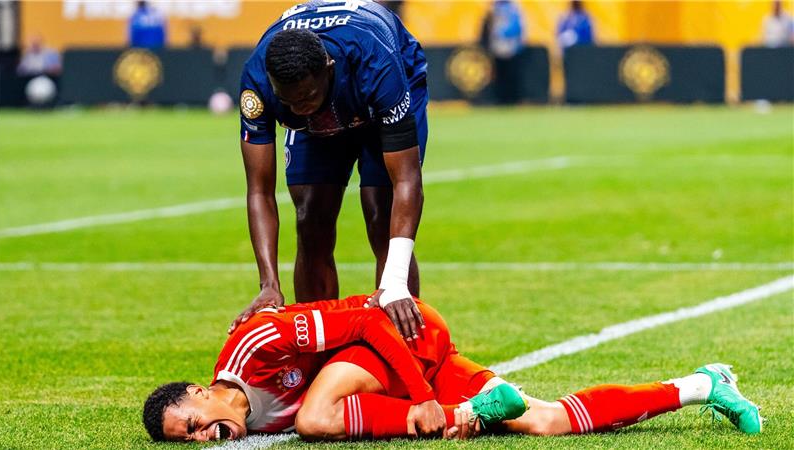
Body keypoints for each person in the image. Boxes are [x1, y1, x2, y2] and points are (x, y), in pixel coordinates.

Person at [144, 295, 763, 442]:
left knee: (313, 417)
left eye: (195, 423)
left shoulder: (257, 344)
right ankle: (703, 383)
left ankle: (461, 413)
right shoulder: (249, 418)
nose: (206, 437)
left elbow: (367, 322)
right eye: (191, 441)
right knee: (542, 420)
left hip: (403, 335)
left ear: (203, 390)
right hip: (386, 371)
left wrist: (425, 400)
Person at [231, 0, 429, 340]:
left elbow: (407, 180)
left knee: (381, 212)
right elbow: (260, 190)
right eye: (290, 102)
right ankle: (320, 350)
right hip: (324, 111)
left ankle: (403, 346)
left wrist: (395, 280)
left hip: (377, 91)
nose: (300, 107)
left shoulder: (376, 62)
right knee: (310, 217)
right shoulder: (258, 82)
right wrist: (269, 285)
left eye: (307, 96)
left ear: (328, 66)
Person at [480, 0, 526, 104]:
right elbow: (487, 27)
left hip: (510, 47)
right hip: (497, 48)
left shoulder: (513, 8)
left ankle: (512, 99)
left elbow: (516, 27)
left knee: (511, 75)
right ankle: (501, 99)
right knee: (500, 76)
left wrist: (501, 32)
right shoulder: (493, 8)